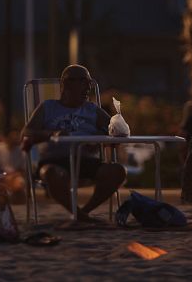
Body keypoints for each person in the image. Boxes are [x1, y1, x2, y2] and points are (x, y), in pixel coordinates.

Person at [21, 64, 127, 221]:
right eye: (84, 82)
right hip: (55, 161)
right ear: (67, 83)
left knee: (117, 171)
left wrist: (99, 137)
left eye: (90, 83)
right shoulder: (48, 107)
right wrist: (52, 133)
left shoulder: (92, 109)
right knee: (51, 173)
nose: (88, 88)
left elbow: (117, 131)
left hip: (85, 160)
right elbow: (26, 132)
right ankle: (81, 216)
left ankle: (81, 214)